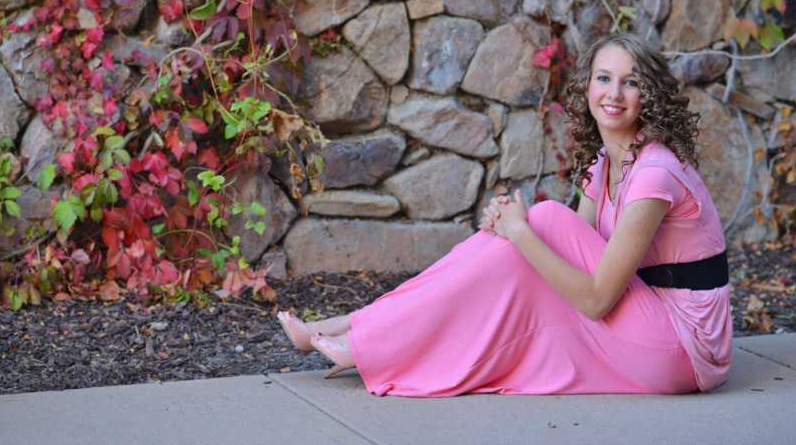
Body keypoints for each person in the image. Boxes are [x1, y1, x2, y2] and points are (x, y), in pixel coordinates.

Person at [277, 33, 732, 397]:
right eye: (603, 78)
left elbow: (595, 298)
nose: (614, 93)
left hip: (683, 349)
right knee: (531, 238)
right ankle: (361, 326)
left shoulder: (655, 173)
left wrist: (519, 231)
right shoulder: (606, 163)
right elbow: (577, 254)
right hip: (647, 327)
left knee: (545, 221)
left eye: (630, 82)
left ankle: (364, 335)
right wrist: (513, 237)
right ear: (587, 87)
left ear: (649, 96)